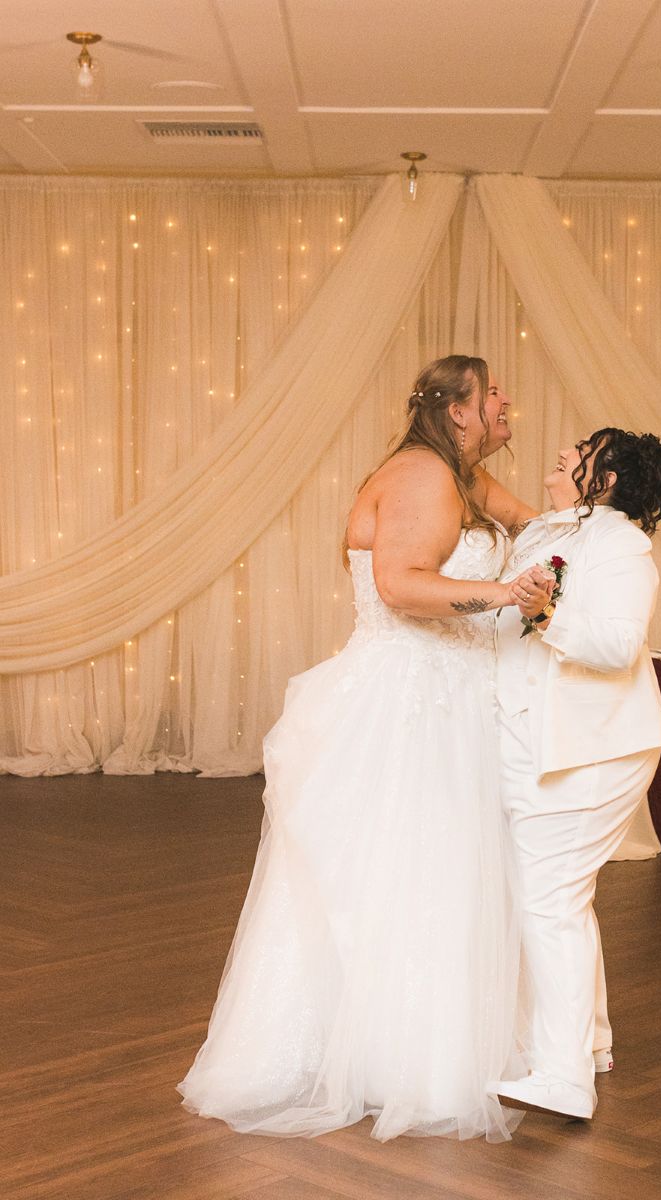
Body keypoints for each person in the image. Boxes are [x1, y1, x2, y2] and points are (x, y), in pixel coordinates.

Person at [178, 355, 536, 1143]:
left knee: (445, 871)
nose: (509, 403)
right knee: (407, 871)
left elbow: (533, 526)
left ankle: (433, 1047)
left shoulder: (462, 477)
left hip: (455, 693)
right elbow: (403, 586)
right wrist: (508, 594)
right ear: (460, 411)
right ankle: (397, 1062)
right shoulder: (419, 477)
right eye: (494, 394)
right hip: (409, 700)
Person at [489, 428, 661, 1120]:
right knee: (560, 899)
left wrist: (546, 611)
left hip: (590, 750)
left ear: (605, 479)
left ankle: (564, 1076)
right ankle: (591, 1044)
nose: (564, 451)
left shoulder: (624, 546)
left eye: (583, 449)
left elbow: (615, 643)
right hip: (546, 741)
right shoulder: (554, 528)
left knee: (548, 902)